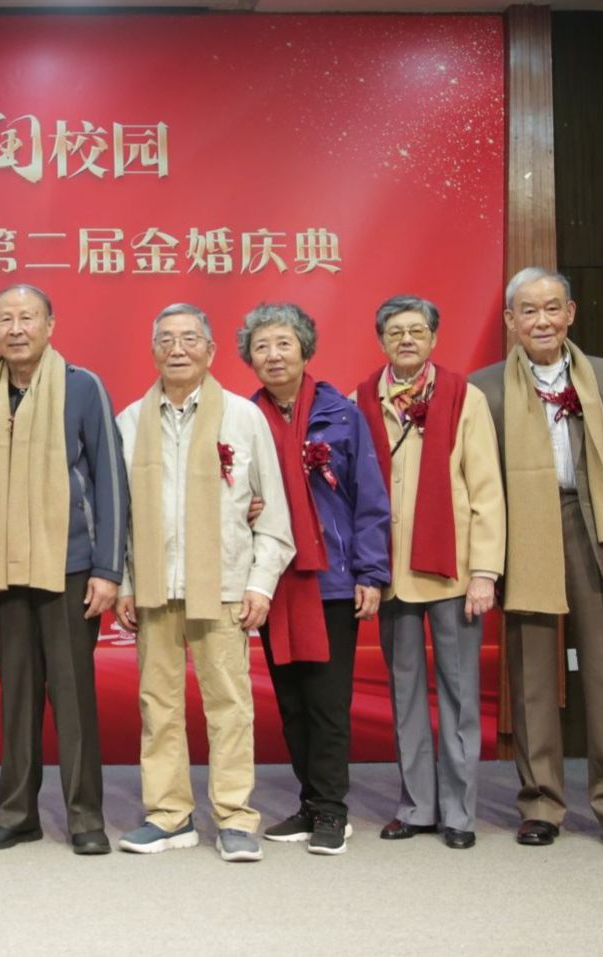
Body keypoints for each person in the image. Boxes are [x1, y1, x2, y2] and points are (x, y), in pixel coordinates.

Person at [471, 267, 603, 853]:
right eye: (529, 310)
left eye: (552, 308)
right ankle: (541, 803)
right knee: (530, 674)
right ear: (510, 320)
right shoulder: (485, 388)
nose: (542, 320)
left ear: (570, 313)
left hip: (597, 525)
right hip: (525, 528)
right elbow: (478, 478)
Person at [113, 304, 294, 862]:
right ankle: (169, 815)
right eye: (166, 339)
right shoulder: (129, 421)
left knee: (230, 705)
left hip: (223, 585)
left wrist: (260, 584)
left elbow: (273, 513)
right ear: (153, 350)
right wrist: (125, 583)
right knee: (158, 706)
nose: (178, 348)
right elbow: (118, 517)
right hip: (154, 589)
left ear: (211, 351)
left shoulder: (243, 417)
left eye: (190, 338)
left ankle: (235, 816)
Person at [0, 284, 128, 856]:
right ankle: (17, 814)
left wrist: (108, 568)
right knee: (17, 697)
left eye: (27, 317)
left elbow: (109, 478)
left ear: (50, 324)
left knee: (74, 696)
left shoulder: (82, 387)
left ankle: (85, 817)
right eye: (5, 319)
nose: (16, 329)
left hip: (71, 565)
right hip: (4, 569)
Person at [352, 295, 505, 851]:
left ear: (435, 338)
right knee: (405, 691)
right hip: (391, 571)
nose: (407, 340)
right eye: (396, 332)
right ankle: (417, 805)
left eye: (417, 331)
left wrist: (485, 572)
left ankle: (459, 812)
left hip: (452, 572)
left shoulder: (465, 397)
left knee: (460, 694)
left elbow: (486, 490)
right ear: (382, 341)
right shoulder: (361, 399)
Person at [241, 302, 390, 856]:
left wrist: (371, 572)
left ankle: (332, 810)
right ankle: (309, 802)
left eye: (284, 343)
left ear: (305, 349)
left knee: (327, 702)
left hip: (332, 578)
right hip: (271, 579)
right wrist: (243, 506)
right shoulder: (242, 418)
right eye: (262, 346)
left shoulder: (342, 414)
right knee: (292, 703)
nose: (273, 355)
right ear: (250, 358)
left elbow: (370, 498)